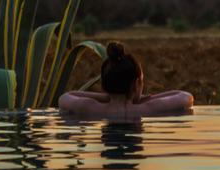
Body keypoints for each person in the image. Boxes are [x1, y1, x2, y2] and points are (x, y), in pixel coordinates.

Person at [58, 42, 193, 118]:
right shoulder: (149, 108)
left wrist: (106, 96)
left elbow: (65, 97)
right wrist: (145, 98)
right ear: (136, 84)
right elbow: (185, 97)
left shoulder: (90, 108)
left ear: (104, 85)